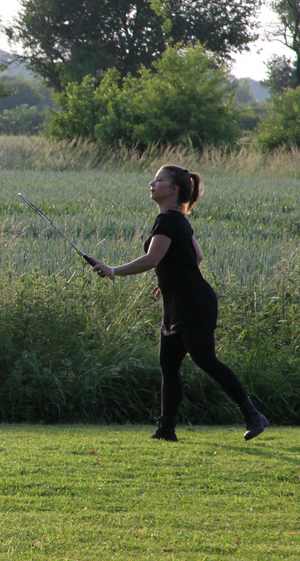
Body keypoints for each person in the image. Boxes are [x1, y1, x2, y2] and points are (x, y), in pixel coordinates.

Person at [89, 165, 268, 442]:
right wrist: (168, 283)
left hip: (192, 303)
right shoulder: (178, 219)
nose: (152, 183)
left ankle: (253, 415)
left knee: (206, 360)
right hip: (182, 299)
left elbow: (152, 259)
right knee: (169, 367)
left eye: (159, 180)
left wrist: (112, 270)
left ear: (174, 190)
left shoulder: (168, 221)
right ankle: (166, 430)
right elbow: (196, 257)